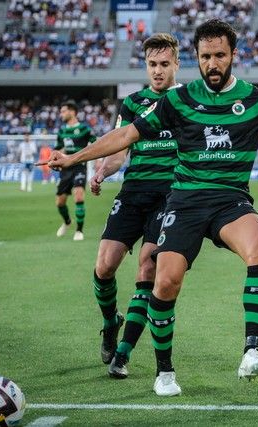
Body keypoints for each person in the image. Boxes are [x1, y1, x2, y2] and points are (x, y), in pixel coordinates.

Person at [47, 19, 258, 397]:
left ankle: (251, 350)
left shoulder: (257, 100)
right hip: (184, 202)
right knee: (165, 281)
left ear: (234, 55)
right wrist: (75, 158)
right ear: (197, 58)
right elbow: (125, 136)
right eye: (206, 57)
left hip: (229, 201)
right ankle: (164, 372)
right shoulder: (177, 100)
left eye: (220, 55)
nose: (213, 63)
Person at [87, 33, 180, 379]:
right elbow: (120, 149)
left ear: (176, 64)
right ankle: (111, 323)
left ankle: (122, 354)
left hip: (170, 196)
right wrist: (102, 171)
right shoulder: (133, 102)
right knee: (105, 266)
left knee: (147, 268)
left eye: (164, 64)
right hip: (133, 192)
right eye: (152, 64)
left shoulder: (186, 101)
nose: (157, 71)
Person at [54, 100, 97, 241]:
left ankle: (79, 230)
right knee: (60, 202)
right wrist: (55, 159)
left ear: (72, 112)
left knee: (78, 196)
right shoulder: (62, 130)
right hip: (65, 168)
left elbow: (95, 143)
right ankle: (67, 222)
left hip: (79, 166)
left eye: (63, 111)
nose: (61, 114)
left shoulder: (84, 129)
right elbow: (59, 148)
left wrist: (98, 161)